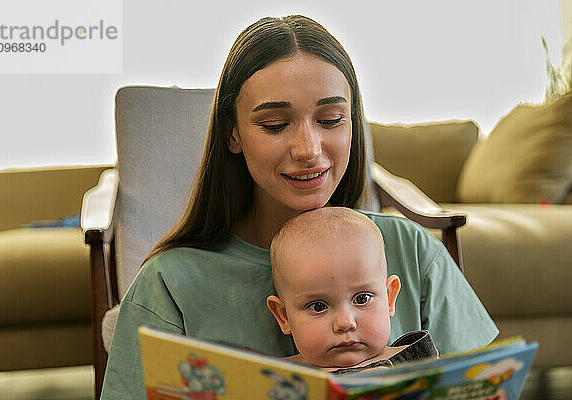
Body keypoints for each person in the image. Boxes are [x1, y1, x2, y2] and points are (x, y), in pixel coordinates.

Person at [100, 15, 498, 399]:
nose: (308, 150)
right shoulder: (169, 284)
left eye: (331, 119)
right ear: (233, 134)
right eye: (275, 125)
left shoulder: (410, 250)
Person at [267, 207, 438, 373]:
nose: (345, 323)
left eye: (362, 299)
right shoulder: (273, 380)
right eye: (318, 306)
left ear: (389, 298)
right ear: (284, 316)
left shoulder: (419, 364)